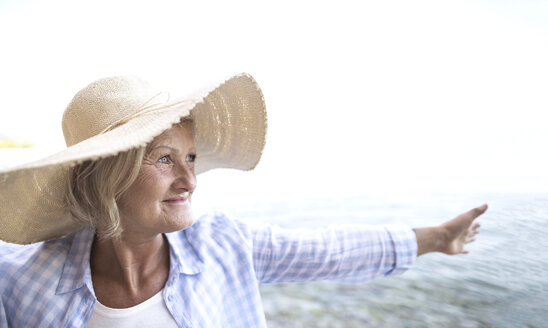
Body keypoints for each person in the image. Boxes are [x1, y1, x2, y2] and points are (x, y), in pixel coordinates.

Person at [0, 73, 487, 327]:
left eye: (191, 157)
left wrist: (437, 238)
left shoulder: (222, 245)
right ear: (106, 175)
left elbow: (329, 251)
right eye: (165, 159)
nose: (190, 180)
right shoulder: (22, 282)